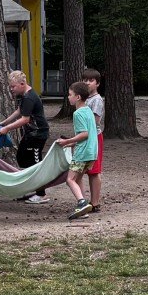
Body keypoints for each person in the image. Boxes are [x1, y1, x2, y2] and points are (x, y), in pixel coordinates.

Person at [0, 69, 50, 204]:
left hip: (38, 135)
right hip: (29, 134)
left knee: (35, 163)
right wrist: (5, 122)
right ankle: (32, 188)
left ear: (22, 84)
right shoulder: (23, 96)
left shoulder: (29, 97)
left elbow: (25, 119)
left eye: (13, 86)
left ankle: (41, 194)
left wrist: (7, 129)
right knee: (22, 159)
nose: (11, 89)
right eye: (10, 86)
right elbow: (19, 111)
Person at [56, 80, 101, 218]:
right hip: (91, 153)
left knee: (70, 180)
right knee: (78, 179)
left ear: (78, 97)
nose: (68, 97)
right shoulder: (88, 110)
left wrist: (67, 141)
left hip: (82, 154)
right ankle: (83, 208)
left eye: (70, 94)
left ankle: (82, 203)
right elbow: (90, 133)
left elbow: (84, 134)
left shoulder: (78, 114)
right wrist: (72, 144)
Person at [83, 68, 107, 212]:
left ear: (97, 83)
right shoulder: (85, 99)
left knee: (95, 170)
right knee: (87, 169)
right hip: (86, 137)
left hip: (94, 137)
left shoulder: (96, 100)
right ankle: (85, 201)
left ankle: (95, 202)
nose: (87, 83)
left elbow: (95, 121)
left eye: (91, 81)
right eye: (85, 80)